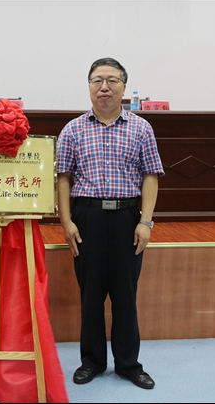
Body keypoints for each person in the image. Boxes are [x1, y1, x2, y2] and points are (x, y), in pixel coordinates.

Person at [56, 57, 165, 390]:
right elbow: (63, 178)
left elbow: (151, 176)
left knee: (125, 295)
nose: (104, 87)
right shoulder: (73, 129)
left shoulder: (141, 128)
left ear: (123, 87)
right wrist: (66, 220)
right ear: (89, 87)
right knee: (90, 295)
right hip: (86, 218)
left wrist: (145, 221)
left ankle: (129, 364)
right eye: (97, 80)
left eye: (112, 80)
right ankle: (91, 362)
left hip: (126, 219)